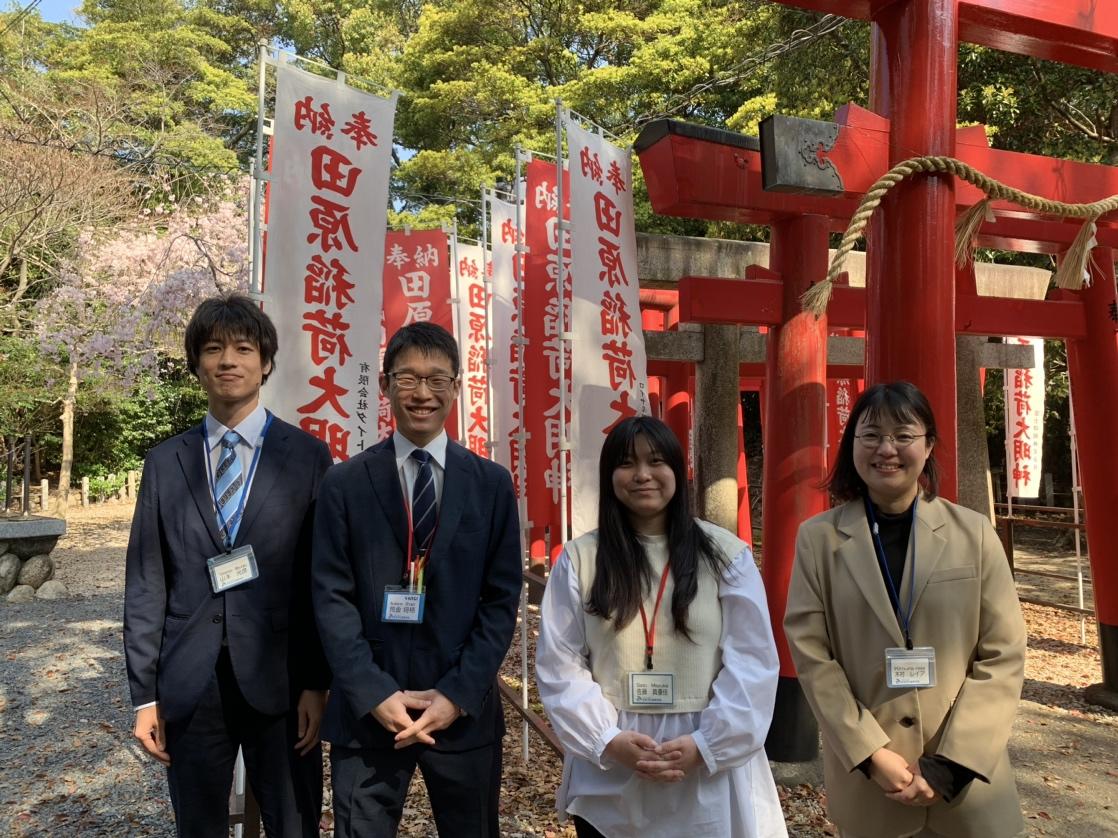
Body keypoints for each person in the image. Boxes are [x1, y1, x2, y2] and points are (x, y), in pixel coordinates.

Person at [124, 294, 333, 837]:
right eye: (213, 349)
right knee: (198, 826)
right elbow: (147, 581)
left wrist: (316, 683)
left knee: (294, 822)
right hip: (192, 682)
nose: (228, 361)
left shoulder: (307, 456)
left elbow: (320, 580)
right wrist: (145, 696)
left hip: (281, 679)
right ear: (196, 363)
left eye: (243, 348)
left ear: (265, 361)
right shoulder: (166, 463)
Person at [784, 381, 1027, 838]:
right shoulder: (818, 540)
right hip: (875, 785)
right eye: (871, 435)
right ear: (852, 444)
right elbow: (813, 658)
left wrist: (951, 765)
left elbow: (1004, 652)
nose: (886, 449)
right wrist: (870, 753)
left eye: (903, 435)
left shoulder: (972, 533)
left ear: (929, 444)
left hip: (966, 784)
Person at [312, 321, 522, 838]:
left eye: (436, 380)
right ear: (385, 386)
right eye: (407, 379)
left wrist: (457, 693)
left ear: (456, 387)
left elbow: (501, 599)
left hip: (461, 707)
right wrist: (369, 689)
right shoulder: (345, 483)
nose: (422, 394)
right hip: (369, 712)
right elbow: (330, 595)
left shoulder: (491, 485)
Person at [536, 415, 788, 838]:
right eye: (627, 463)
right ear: (609, 474)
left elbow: (753, 662)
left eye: (656, 461)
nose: (642, 475)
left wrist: (707, 745)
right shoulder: (581, 559)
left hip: (703, 759)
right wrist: (607, 740)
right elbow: (560, 663)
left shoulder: (726, 557)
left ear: (677, 469)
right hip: (613, 759)